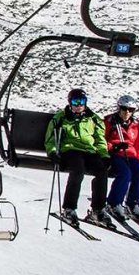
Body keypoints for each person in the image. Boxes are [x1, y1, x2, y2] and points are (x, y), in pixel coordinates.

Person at [45, 88, 111, 224]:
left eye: (82, 101)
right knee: (78, 171)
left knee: (102, 171)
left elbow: (99, 139)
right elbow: (51, 138)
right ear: (70, 103)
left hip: (90, 150)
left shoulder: (93, 119)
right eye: (75, 102)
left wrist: (104, 155)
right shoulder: (60, 118)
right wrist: (52, 153)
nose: (79, 105)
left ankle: (98, 209)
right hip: (71, 149)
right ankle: (69, 208)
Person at [105, 94, 139, 219]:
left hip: (131, 155)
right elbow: (101, 139)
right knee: (125, 174)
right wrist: (113, 147)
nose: (127, 112)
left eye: (131, 110)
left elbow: (138, 144)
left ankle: (134, 203)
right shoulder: (110, 121)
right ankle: (114, 202)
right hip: (116, 154)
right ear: (119, 108)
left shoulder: (135, 125)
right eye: (124, 109)